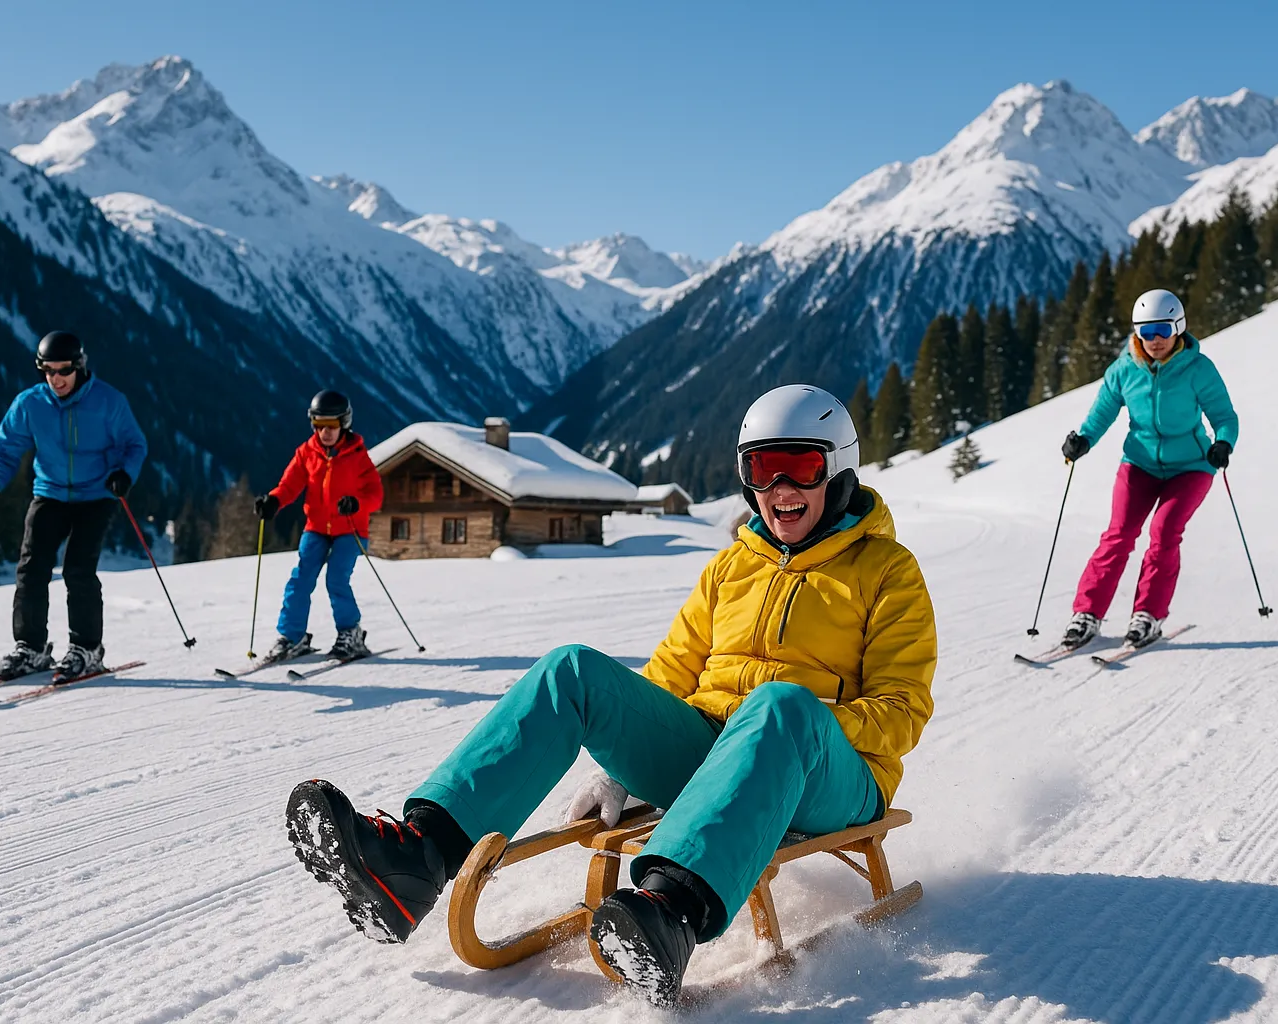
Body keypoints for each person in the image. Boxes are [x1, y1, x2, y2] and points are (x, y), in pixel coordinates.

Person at [284, 384, 937, 1006]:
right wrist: (619, 771)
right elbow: (668, 677)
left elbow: (903, 713)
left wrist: (788, 727)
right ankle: (415, 858)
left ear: (839, 469)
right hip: (713, 753)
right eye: (762, 467)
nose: (779, 488)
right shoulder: (730, 566)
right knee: (574, 671)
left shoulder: (888, 572)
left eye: (799, 466)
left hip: (833, 777)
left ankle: (668, 916)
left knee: (780, 704)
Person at [1060, 289, 1239, 650]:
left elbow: (1224, 416)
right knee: (1119, 534)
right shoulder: (1125, 368)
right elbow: (1103, 411)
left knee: (1164, 531)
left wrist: (1223, 442)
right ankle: (1087, 614)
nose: (1154, 339)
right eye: (1145, 331)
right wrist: (1084, 439)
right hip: (1139, 464)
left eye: (1161, 329)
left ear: (1178, 327)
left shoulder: (1198, 368)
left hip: (1191, 465)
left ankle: (1149, 615)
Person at [0, 331, 147, 681]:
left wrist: (124, 475)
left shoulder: (108, 401)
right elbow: (6, 448)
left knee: (78, 571)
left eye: (62, 371)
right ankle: (31, 648)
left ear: (79, 367)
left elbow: (134, 445)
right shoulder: (30, 403)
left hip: (96, 496)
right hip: (49, 494)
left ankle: (87, 650)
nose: (55, 379)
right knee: (31, 568)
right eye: (47, 371)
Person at [254, 390, 384, 663]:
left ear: (344, 423)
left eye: (332, 425)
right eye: (318, 424)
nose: (325, 432)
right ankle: (292, 636)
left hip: (350, 530)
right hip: (316, 529)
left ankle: (351, 633)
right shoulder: (306, 453)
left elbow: (376, 494)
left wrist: (356, 503)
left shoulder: (358, 456)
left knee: (336, 579)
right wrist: (274, 502)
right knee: (300, 580)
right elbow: (289, 485)